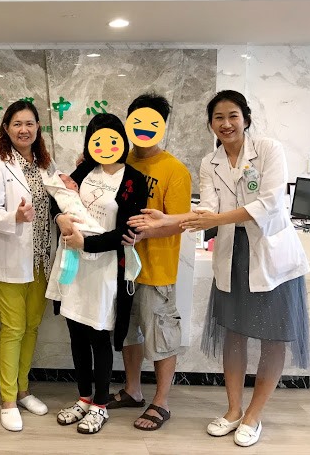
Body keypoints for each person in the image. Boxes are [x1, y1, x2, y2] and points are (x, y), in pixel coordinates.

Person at [129, 90, 310, 447]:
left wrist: (213, 219)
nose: (226, 124)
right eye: (218, 118)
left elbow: (270, 204)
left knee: (273, 338)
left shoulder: (268, 150)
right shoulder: (209, 162)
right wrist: (170, 219)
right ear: (210, 124)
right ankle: (233, 410)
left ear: (246, 118)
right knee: (233, 334)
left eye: (232, 116)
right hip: (233, 256)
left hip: (271, 255)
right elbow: (205, 210)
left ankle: (254, 415)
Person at [48, 113, 148, 435]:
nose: (105, 145)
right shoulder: (84, 170)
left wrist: (87, 243)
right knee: (76, 331)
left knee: (98, 334)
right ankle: (83, 398)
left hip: (106, 269)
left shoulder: (133, 179)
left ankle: (100, 405)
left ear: (121, 140)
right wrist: (60, 220)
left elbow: (127, 231)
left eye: (111, 138)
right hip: (74, 266)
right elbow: (58, 199)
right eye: (97, 139)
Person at [107, 93, 191, 432]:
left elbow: (181, 222)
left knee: (161, 336)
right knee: (129, 332)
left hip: (157, 269)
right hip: (123, 268)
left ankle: (162, 401)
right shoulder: (119, 160)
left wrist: (147, 232)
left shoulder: (174, 169)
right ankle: (132, 390)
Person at [0, 100, 56, 432]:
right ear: (6, 129)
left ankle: (23, 389)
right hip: (10, 260)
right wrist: (16, 216)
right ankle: (8, 399)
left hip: (40, 261)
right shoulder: (0, 166)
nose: (24, 130)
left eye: (29, 123)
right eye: (17, 124)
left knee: (32, 327)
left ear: (38, 127)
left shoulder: (45, 165)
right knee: (13, 329)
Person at [43, 171, 105, 237]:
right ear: (60, 186)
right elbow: (65, 205)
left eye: (71, 179)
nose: (72, 181)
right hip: (73, 222)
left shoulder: (75, 193)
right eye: (67, 181)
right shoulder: (63, 195)